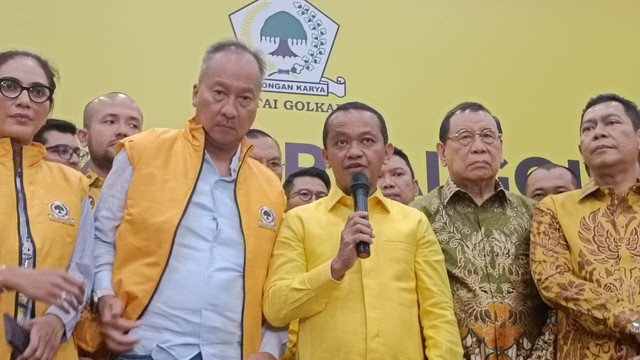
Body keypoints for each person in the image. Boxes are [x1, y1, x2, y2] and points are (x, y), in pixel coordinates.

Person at [74, 40, 287, 360]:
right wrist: (104, 294)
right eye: (219, 93)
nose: (230, 109)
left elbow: (278, 281)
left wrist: (269, 350)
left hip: (231, 352)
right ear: (194, 93)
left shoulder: (270, 188)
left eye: (245, 98)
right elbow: (102, 236)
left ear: (257, 105)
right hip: (145, 347)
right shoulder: (142, 152)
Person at [263, 101, 463, 360]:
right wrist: (334, 268)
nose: (355, 152)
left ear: (387, 152)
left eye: (367, 141)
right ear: (325, 156)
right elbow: (276, 308)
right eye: (342, 143)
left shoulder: (413, 222)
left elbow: (438, 313)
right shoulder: (299, 221)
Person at [411, 102, 553, 359]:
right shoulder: (418, 215)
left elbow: (554, 293)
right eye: (464, 138)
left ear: (501, 147)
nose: (479, 147)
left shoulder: (534, 213)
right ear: (442, 153)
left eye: (489, 136)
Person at [530, 93, 640, 358]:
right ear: (581, 151)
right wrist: (633, 323)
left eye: (611, 123)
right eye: (588, 128)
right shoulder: (554, 209)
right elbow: (554, 281)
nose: (598, 133)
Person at [0, 50, 94, 360]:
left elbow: (81, 270)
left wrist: (58, 321)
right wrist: (6, 276)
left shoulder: (72, 183)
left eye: (38, 92)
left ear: (49, 106)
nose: (25, 101)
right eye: (9, 86)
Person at [279, 167, 331, 360]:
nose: (313, 203)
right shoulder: (267, 240)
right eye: (304, 195)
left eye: (321, 197)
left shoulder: (340, 244)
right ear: (283, 201)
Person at [76, 92, 142, 209]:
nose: (123, 131)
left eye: (132, 125)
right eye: (110, 121)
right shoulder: (68, 187)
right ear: (84, 137)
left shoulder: (153, 191)